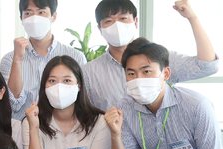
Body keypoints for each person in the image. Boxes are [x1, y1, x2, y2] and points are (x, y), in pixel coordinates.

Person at [84, 0, 219, 111]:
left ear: (135, 22)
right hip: (114, 142)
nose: (117, 25)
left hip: (161, 140)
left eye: (123, 18)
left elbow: (207, 66)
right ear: (100, 29)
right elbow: (85, 114)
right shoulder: (89, 72)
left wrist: (192, 18)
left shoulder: (159, 58)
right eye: (108, 21)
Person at [0, 0, 87, 120]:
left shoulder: (75, 57)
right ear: (22, 18)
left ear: (53, 16)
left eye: (41, 12)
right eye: (28, 13)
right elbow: (13, 105)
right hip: (21, 133)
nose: (35, 19)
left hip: (63, 131)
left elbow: (82, 101)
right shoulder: (9, 59)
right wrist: (17, 61)